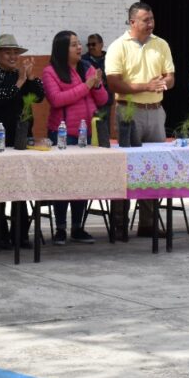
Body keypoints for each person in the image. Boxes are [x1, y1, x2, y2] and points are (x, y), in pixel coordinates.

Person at [105, 2, 175, 239]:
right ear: (132, 22)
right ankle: (119, 224)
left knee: (153, 168)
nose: (151, 24)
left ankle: (148, 223)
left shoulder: (161, 44)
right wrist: (146, 86)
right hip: (129, 111)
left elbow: (171, 77)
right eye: (146, 20)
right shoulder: (118, 46)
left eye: (152, 19)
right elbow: (113, 83)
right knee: (124, 168)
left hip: (155, 111)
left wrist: (164, 83)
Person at [41, 31, 108, 245]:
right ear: (62, 49)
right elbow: (57, 99)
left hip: (85, 133)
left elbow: (103, 99)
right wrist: (87, 85)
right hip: (62, 134)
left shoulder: (87, 67)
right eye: (73, 45)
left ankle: (78, 227)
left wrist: (97, 85)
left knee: (81, 181)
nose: (79, 47)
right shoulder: (50, 71)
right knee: (62, 181)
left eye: (79, 44)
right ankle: (60, 228)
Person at [0, 34, 44, 250]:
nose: (13, 56)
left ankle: (21, 234)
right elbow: (0, 99)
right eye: (8, 52)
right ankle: (0, 234)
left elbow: (40, 96)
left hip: (22, 135)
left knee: (22, 187)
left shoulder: (22, 75)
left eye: (15, 52)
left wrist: (31, 77)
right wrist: (21, 81)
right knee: (0, 187)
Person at [84, 33, 115, 130]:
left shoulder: (110, 58)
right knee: (88, 130)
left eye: (93, 44)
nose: (91, 47)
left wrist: (103, 80)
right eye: (89, 45)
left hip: (105, 101)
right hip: (89, 101)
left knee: (104, 131)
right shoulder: (83, 60)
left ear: (101, 44)